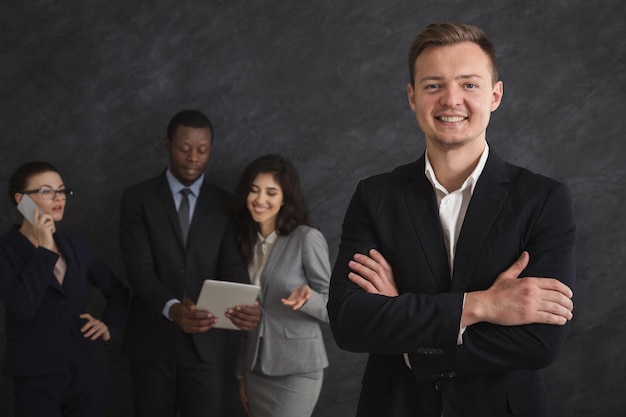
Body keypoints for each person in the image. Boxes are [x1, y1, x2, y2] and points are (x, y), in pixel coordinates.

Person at [327, 22, 576, 417]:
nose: (451, 100)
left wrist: (407, 331)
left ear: (495, 95)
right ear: (412, 97)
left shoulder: (543, 199)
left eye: (469, 85)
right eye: (433, 85)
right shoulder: (375, 196)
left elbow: (539, 342)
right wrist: (479, 306)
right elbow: (350, 321)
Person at [119, 109, 260, 417]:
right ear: (168, 145)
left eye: (202, 150)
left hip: (206, 343)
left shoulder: (225, 204)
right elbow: (139, 268)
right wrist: (172, 308)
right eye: (184, 149)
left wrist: (244, 301)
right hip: (151, 341)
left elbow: (232, 264)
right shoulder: (137, 198)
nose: (193, 157)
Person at [0, 161, 129, 417]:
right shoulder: (5, 250)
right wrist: (44, 250)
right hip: (36, 374)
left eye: (62, 190)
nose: (59, 198)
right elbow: (22, 308)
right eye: (47, 191)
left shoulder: (77, 246)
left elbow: (118, 292)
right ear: (21, 200)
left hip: (87, 370)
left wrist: (109, 328)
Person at [231, 154, 330, 417]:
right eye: (254, 191)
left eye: (271, 192)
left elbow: (336, 306)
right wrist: (241, 372)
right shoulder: (245, 242)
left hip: (298, 369)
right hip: (255, 368)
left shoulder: (306, 238)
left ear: (284, 198)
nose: (260, 200)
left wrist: (309, 298)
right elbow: (246, 312)